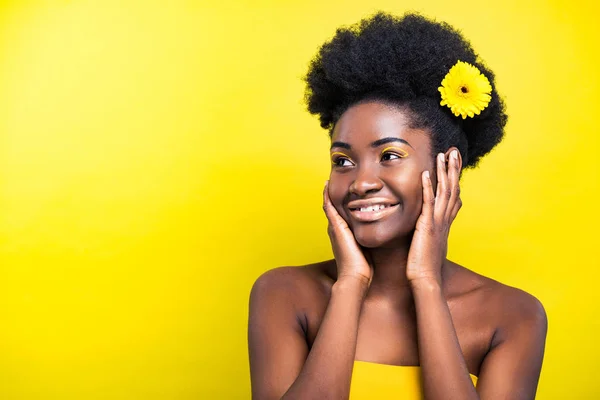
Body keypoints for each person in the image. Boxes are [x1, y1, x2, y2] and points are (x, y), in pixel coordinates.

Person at [248, 12, 547, 400]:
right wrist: (351, 284)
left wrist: (426, 282)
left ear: (447, 168)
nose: (361, 182)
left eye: (389, 155)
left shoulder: (512, 315)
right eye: (343, 161)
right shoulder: (285, 293)